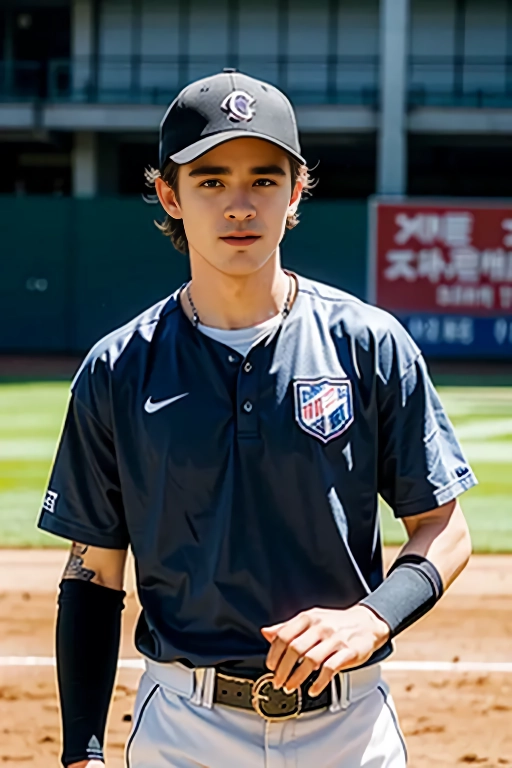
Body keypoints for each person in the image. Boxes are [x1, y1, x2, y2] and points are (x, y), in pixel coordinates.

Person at [38, 69, 476, 768]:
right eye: (211, 181)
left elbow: (444, 528)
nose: (239, 205)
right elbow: (92, 572)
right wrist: (83, 749)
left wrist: (371, 617)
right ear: (168, 194)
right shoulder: (119, 367)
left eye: (264, 180)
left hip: (349, 726)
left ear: (296, 191)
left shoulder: (369, 343)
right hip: (185, 726)